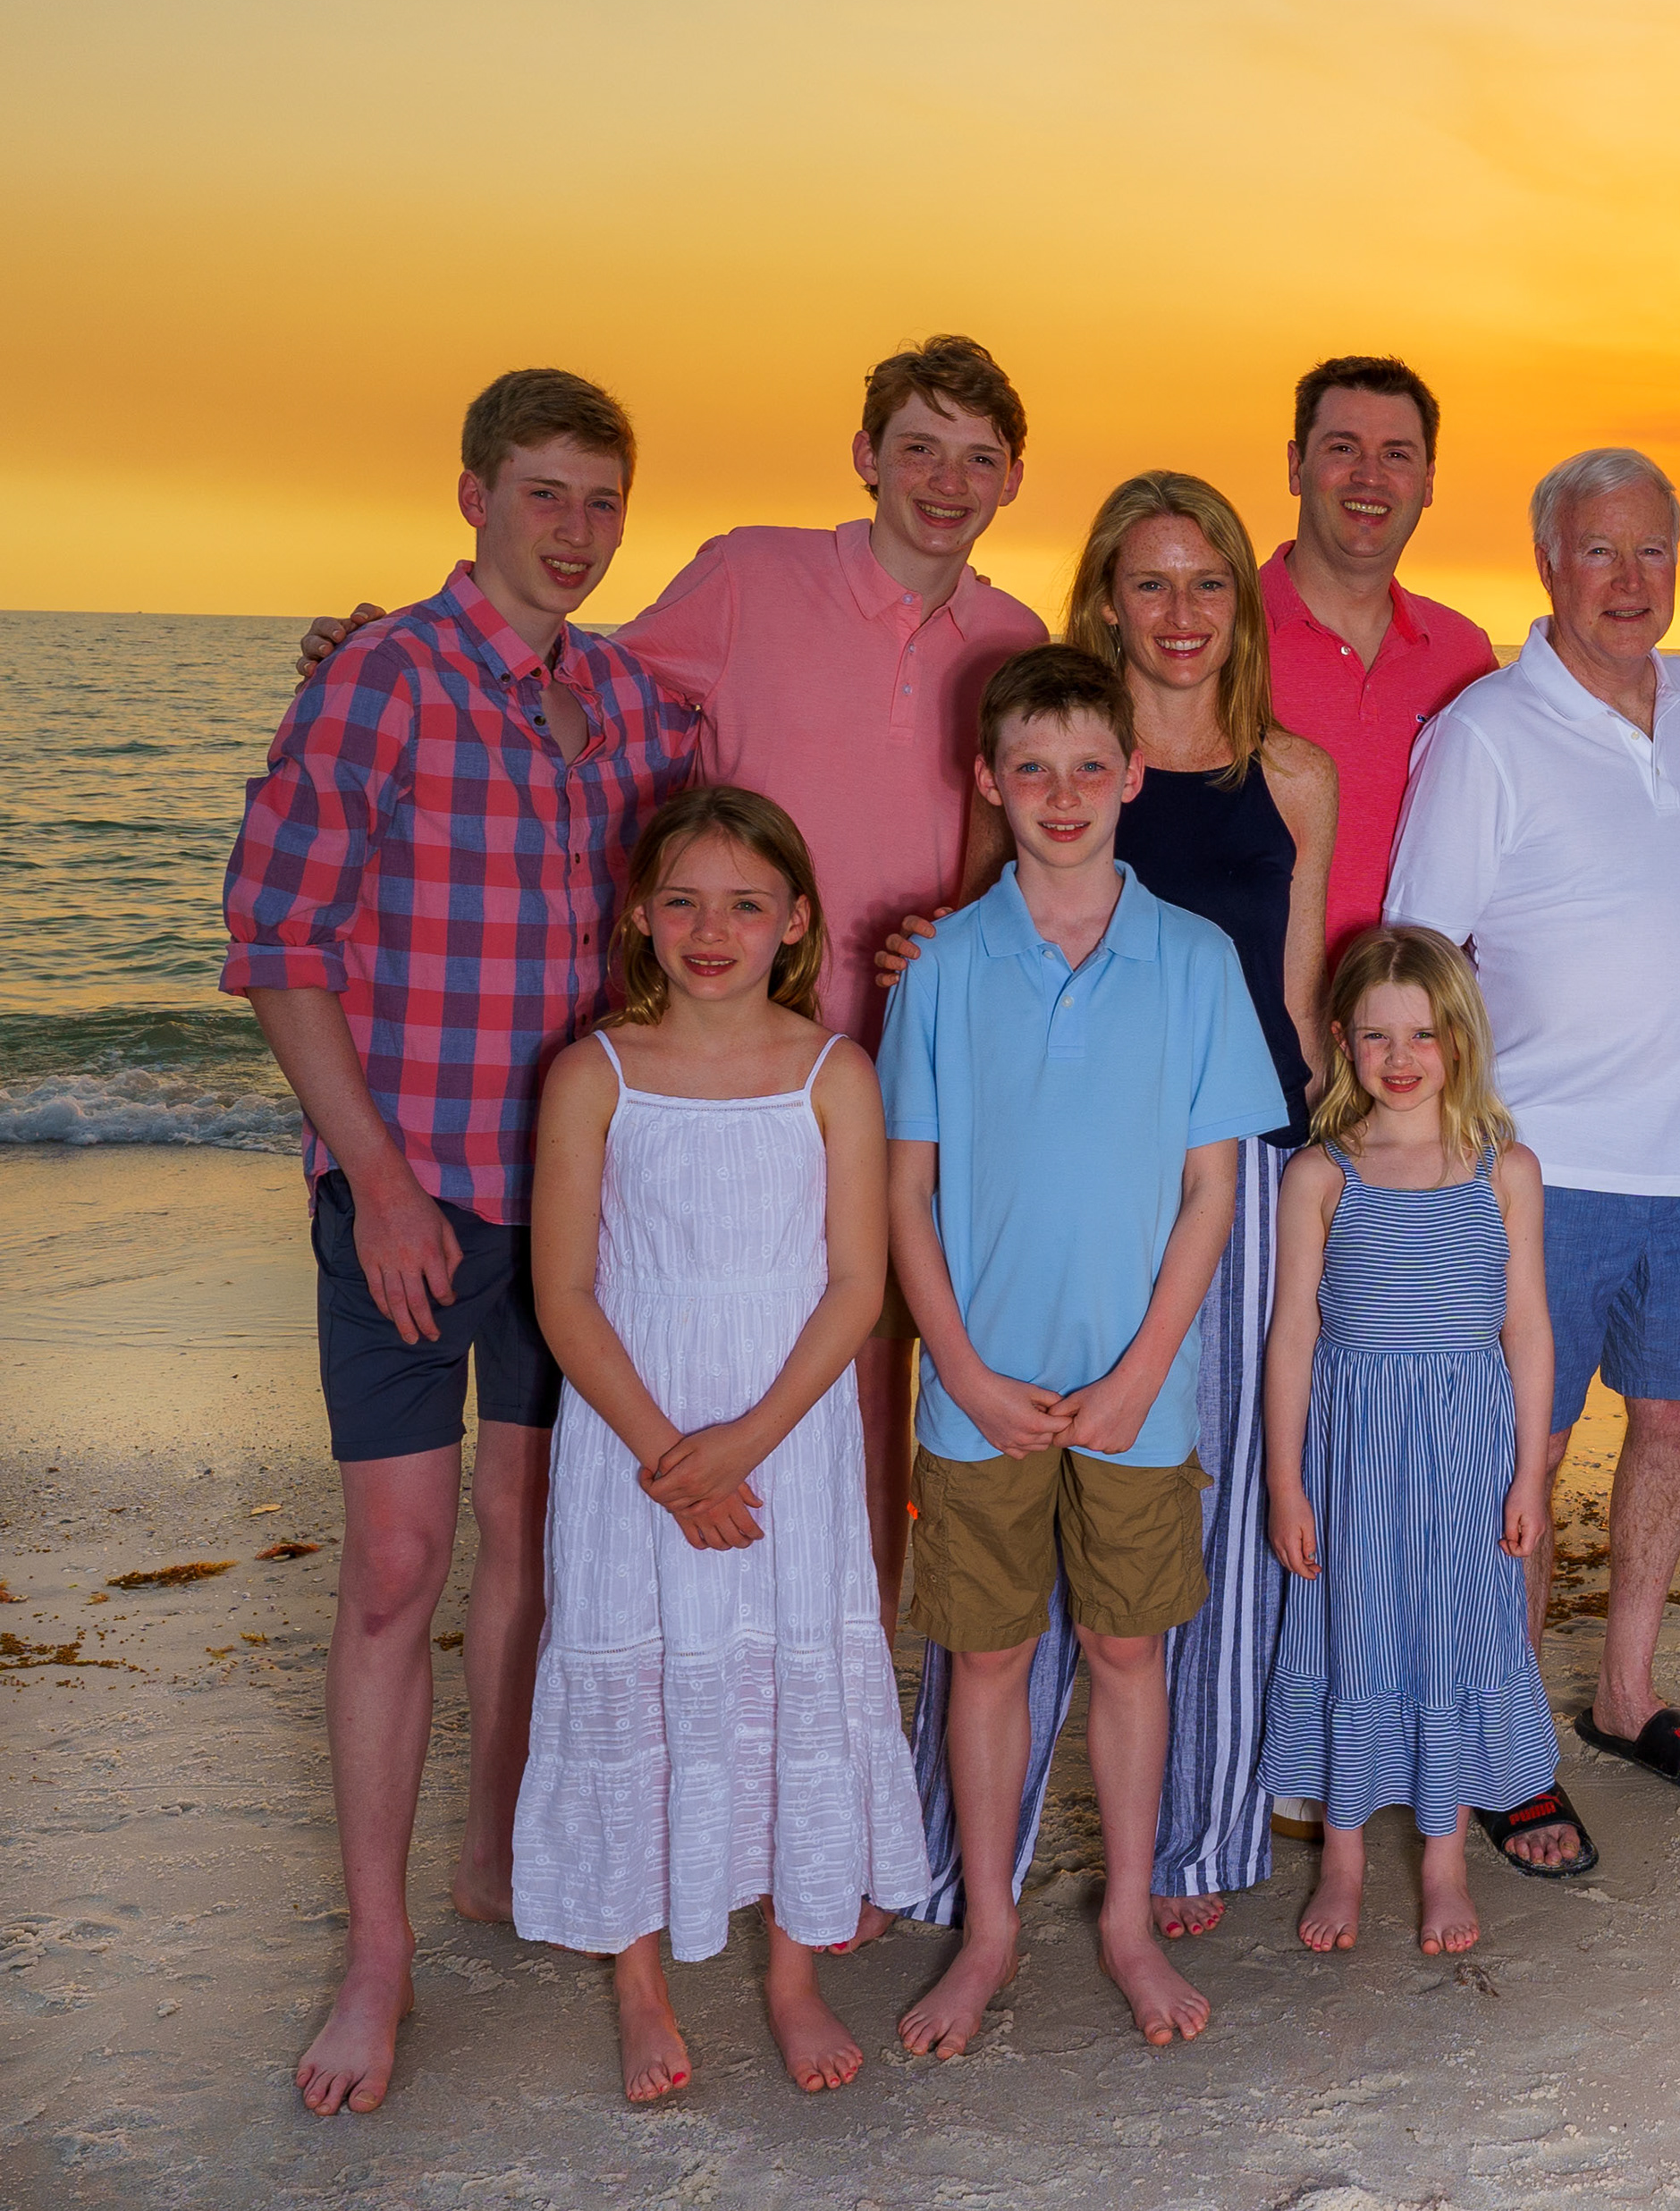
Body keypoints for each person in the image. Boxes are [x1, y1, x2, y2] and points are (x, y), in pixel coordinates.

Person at [296, 338, 1048, 1633]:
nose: (944, 480)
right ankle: (702, 1675)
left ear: (1012, 481)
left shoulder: (1012, 634)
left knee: (872, 1407)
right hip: (720, 1073)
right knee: (708, 1368)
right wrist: (389, 653)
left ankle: (843, 1692)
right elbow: (576, 678)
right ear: (867, 456)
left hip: (907, 1073)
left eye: (978, 457)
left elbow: (1021, 824)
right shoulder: (752, 575)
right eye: (917, 446)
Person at [224, 368, 697, 2115]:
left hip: (581, 1213)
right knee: (398, 1564)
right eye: (543, 495)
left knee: (541, 1540)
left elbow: (726, 856)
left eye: (600, 503)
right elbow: (279, 943)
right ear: (474, 496)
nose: (571, 533)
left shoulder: (635, 703)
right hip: (410, 1195)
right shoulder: (379, 686)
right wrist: (384, 1181)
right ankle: (378, 1952)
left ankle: (498, 1847)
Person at [878, 473, 1338, 1945]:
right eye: (1151, 583)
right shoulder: (1061, 753)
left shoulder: (1292, 776)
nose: (1183, 611)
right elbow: (972, 945)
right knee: (1011, 1552)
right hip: (1053, 1188)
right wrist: (916, 961)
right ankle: (963, 1863)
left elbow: (1298, 991)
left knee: (1179, 1514)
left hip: (1236, 1162)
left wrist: (1340, 1167)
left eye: (1209, 582)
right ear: (1105, 601)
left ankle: (1190, 1848)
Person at [508, 786, 921, 2098]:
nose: (710, 929)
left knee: (788, 1673)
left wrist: (745, 1441)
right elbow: (564, 1292)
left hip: (783, 1429)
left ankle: (794, 1971)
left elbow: (857, 1285)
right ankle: (640, 1981)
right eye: (681, 900)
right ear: (639, 913)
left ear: (795, 923)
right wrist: (669, 1456)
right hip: (631, 1441)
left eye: (746, 904)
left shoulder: (832, 1072)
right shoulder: (596, 1072)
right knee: (639, 1680)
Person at [1385, 448, 1680, 1855]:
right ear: (1548, 563)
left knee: (1674, 1426)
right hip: (1542, 1166)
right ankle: (1504, 1729)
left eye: (1652, 551)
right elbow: (1418, 956)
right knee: (1519, 1459)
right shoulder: (1487, 730)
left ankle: (1626, 1692)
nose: (1629, 580)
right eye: (1600, 552)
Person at [1263, 928, 1566, 1954]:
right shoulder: (1321, 1173)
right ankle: (1341, 1854)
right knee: (1352, 1624)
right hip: (1352, 1447)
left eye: (1425, 1034)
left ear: (1461, 1039)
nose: (1402, 1056)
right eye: (1378, 1034)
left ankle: (1444, 1856)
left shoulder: (1504, 1169)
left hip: (1465, 1443)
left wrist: (1530, 1471)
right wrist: (1284, 1482)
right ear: (1343, 1041)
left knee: (1449, 1627)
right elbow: (1294, 1334)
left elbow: (1527, 1327)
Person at [1267, 356, 1500, 953]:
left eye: (1396, 455)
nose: (1369, 477)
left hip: (1407, 1032)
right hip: (1243, 1023)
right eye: (1343, 448)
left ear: (1427, 483)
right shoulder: (1217, 634)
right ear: (1297, 466)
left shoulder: (1464, 656)